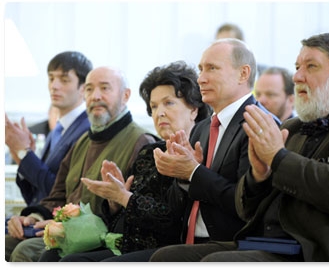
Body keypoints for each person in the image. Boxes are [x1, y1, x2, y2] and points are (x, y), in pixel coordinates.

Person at [150, 33, 329, 262]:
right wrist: (258, 175)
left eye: (311, 67)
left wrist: (278, 157)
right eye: (297, 67)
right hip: (274, 242)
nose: (297, 77)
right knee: (167, 257)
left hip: (323, 250)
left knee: (218, 263)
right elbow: (247, 209)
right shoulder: (294, 127)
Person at [38, 60, 212, 262]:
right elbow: (125, 217)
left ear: (194, 109)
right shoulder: (150, 152)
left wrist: (123, 197)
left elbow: (170, 221)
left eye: (169, 103)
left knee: (73, 262)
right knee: (51, 256)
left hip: (165, 248)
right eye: (154, 106)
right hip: (126, 242)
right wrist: (114, 202)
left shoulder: (200, 152)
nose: (159, 112)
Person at [5, 66, 157, 262]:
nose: (95, 96)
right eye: (89, 89)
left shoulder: (141, 141)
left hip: (100, 240)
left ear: (125, 95)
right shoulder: (83, 141)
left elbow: (136, 213)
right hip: (62, 231)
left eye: (105, 88)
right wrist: (34, 217)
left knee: (25, 251)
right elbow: (58, 194)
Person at [152, 39, 280, 248]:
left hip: (234, 245)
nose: (201, 79)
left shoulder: (259, 124)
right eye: (201, 69)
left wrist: (194, 172)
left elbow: (247, 204)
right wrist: (183, 177)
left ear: (243, 74)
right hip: (187, 242)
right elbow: (175, 209)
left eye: (212, 68)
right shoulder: (202, 128)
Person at [5, 51, 92, 206]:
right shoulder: (58, 128)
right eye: (51, 78)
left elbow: (60, 192)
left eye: (64, 80)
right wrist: (23, 158)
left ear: (83, 88)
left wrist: (25, 154)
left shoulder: (87, 129)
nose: (54, 86)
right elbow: (38, 193)